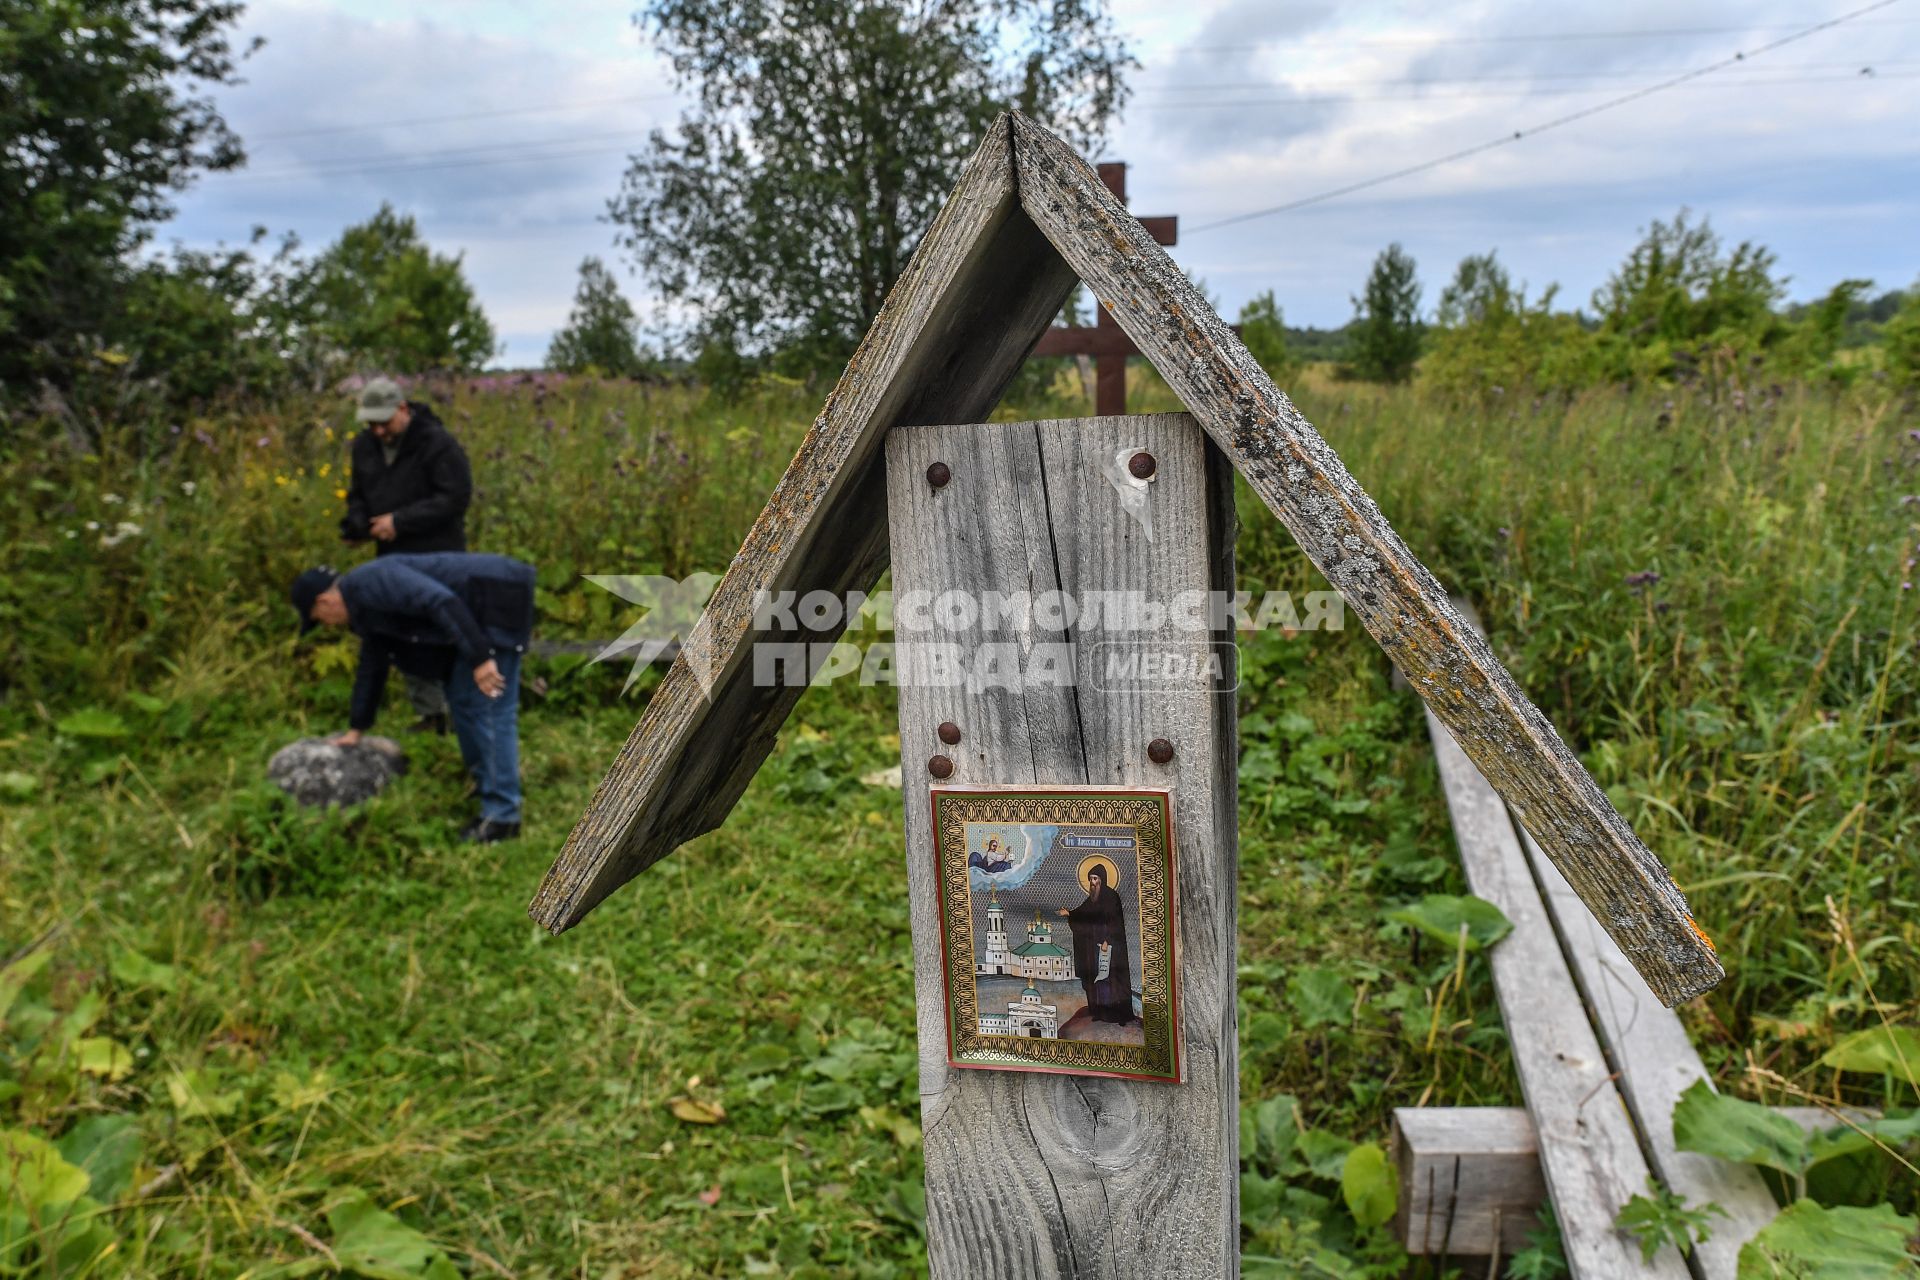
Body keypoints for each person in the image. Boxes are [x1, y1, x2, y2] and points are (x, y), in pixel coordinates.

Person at [290, 552, 534, 843]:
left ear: (324, 602)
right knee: (463, 704)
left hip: (495, 599)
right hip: (473, 617)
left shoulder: (371, 582)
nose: (328, 625)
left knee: (489, 710)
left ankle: (503, 817)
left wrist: (481, 658)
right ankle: (487, 785)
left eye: (321, 619)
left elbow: (440, 601)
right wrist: (357, 728)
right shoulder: (364, 608)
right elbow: (373, 665)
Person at [339, 378, 473, 735]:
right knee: (404, 630)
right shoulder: (365, 446)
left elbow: (455, 497)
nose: (379, 430)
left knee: (441, 628)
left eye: (385, 422)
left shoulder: (437, 443)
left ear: (403, 408)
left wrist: (400, 522)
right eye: (372, 423)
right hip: (391, 556)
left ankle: (461, 709)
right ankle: (430, 715)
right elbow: (358, 494)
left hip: (437, 553)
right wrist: (356, 525)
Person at [1057, 865, 1136, 1024]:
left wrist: (1108, 940)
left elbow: (1115, 922)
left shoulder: (1111, 897)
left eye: (1095, 879)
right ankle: (1099, 1012)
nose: (1093, 883)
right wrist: (1070, 914)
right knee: (1096, 978)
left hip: (1110, 948)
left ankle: (1118, 1015)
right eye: (1091, 879)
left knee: (1111, 979)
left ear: (1102, 879)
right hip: (1095, 948)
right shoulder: (1092, 898)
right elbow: (1083, 913)